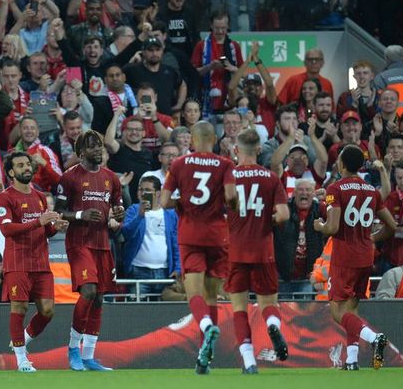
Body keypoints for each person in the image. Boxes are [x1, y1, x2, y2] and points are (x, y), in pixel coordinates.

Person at [160, 120, 238, 374]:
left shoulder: (179, 164)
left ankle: (206, 327)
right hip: (218, 235)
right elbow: (231, 197)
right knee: (211, 296)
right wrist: (227, 207)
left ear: (192, 140)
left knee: (194, 294)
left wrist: (183, 200)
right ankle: (206, 359)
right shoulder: (226, 164)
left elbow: (164, 202)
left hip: (191, 235)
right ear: (213, 140)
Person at [314, 145, 396, 371]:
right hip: (365, 257)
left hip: (344, 257)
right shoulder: (370, 190)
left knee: (337, 312)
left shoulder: (335, 188)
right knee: (352, 309)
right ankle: (351, 360)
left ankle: (375, 338)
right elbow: (391, 226)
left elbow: (331, 227)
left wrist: (319, 225)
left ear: (341, 164)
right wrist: (371, 238)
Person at [55, 130, 124, 371]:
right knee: (89, 291)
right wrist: (80, 215)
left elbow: (117, 209)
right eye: (92, 146)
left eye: (100, 146)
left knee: (99, 297)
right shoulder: (69, 178)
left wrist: (119, 216)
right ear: (81, 152)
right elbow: (59, 211)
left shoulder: (111, 178)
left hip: (102, 243)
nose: (98, 149)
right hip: (79, 242)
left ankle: (89, 356)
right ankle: (73, 348)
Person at [0, 151, 68, 372]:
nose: (27, 168)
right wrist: (38, 221)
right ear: (11, 172)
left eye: (28, 164)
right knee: (19, 307)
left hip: (40, 263)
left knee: (47, 311)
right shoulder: (4, 197)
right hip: (18, 262)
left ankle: (22, 341)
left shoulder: (39, 196)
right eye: (20, 166)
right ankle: (21, 360)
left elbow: (46, 230)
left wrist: (55, 227)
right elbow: (7, 229)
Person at [224, 129, 289, 373]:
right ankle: (273, 324)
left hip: (236, 250)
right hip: (263, 250)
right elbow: (283, 215)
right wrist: (264, 220)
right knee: (269, 303)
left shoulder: (228, 176)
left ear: (236, 150)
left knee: (239, 308)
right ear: (259, 150)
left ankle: (249, 361)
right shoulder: (271, 178)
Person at [121, 175, 180, 298]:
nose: (143, 193)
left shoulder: (170, 215)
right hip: (138, 271)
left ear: (158, 193)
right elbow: (127, 233)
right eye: (140, 189)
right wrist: (140, 216)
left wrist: (178, 268)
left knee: (164, 314)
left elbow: (177, 243)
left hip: (165, 272)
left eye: (147, 190)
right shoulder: (133, 210)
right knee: (136, 313)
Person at [274, 179, 326, 297]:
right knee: (284, 311)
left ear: (313, 194)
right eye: (300, 190)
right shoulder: (284, 209)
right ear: (294, 193)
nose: (304, 193)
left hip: (307, 276)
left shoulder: (319, 209)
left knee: (304, 313)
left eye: (308, 190)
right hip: (284, 275)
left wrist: (328, 198)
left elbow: (337, 214)